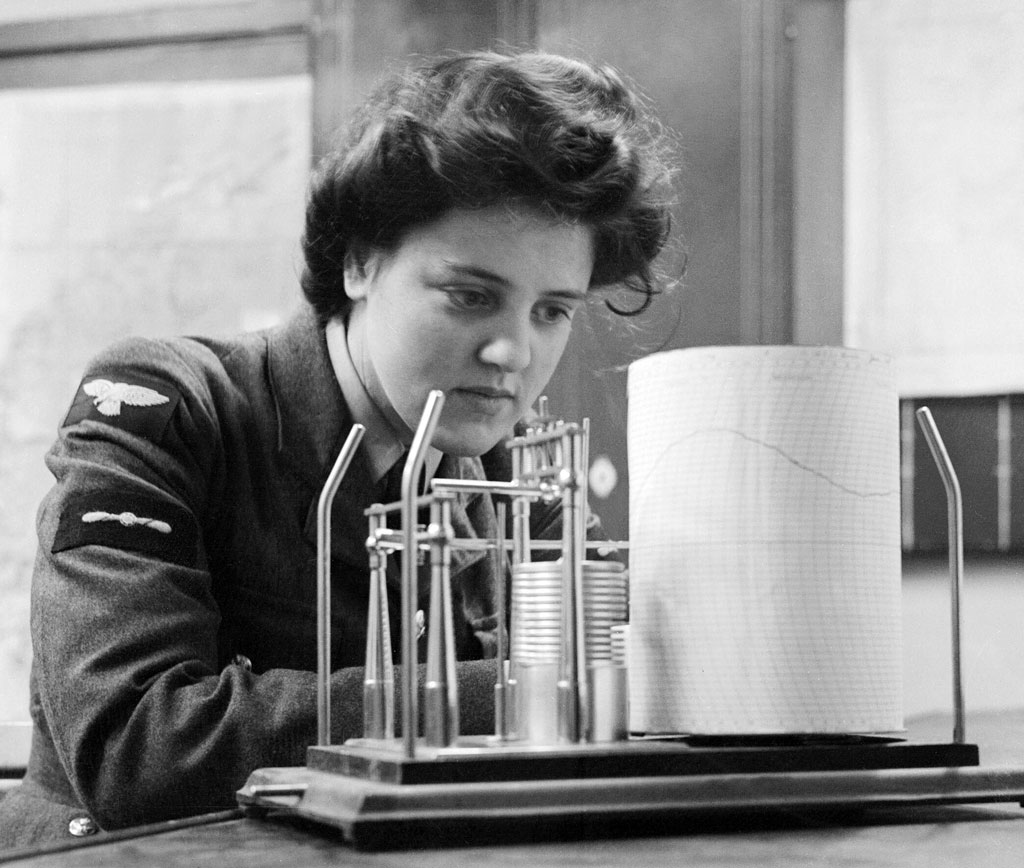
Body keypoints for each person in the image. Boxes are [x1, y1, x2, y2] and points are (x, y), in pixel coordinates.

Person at [0, 49, 674, 849]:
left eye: (551, 312)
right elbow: (140, 749)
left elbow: (642, 669)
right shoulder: (164, 406)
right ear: (359, 261)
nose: (513, 353)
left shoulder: (517, 465)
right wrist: (535, 693)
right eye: (471, 296)